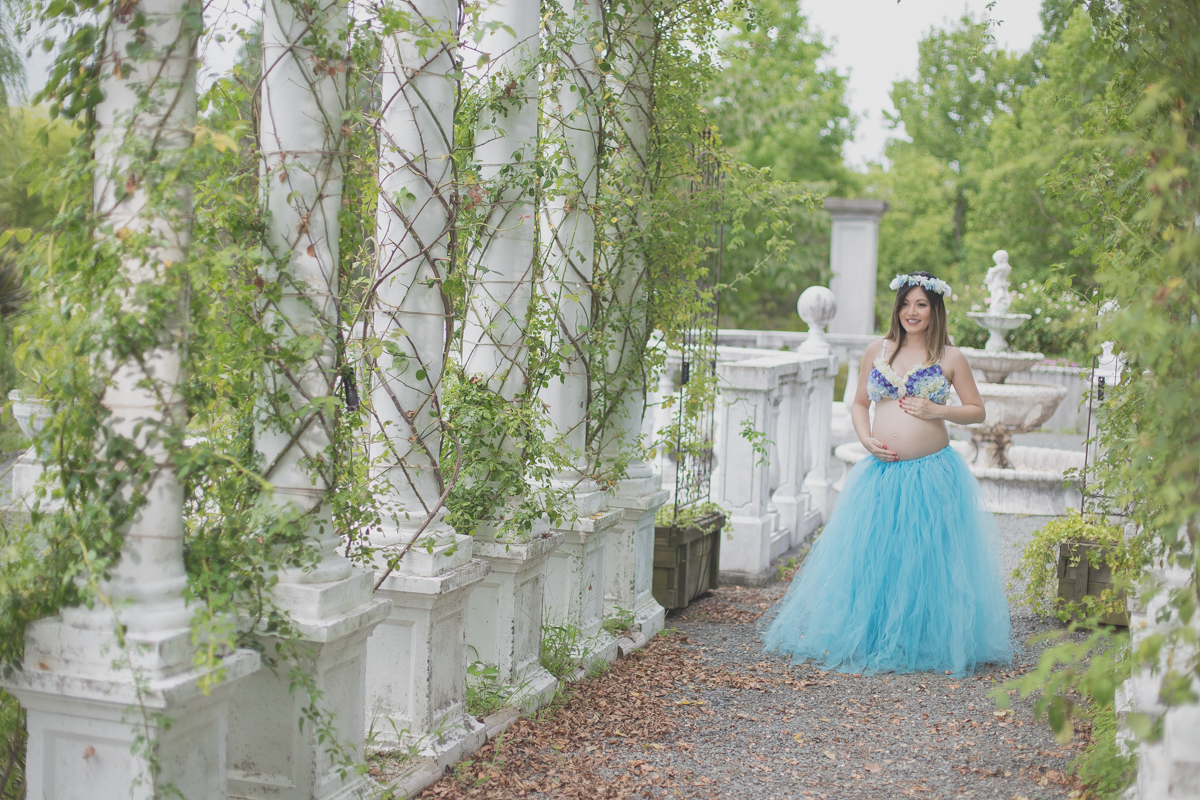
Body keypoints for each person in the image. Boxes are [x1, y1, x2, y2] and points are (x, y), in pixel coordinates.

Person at [761, 271, 1012, 676]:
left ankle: (924, 640)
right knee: (876, 556)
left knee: (927, 558)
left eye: (921, 304)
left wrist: (937, 410)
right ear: (896, 309)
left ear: (934, 309)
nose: (912, 312)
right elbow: (860, 404)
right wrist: (865, 438)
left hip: (931, 473)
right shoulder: (877, 350)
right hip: (882, 473)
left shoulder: (950, 357)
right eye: (905, 304)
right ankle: (873, 637)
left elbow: (976, 410)